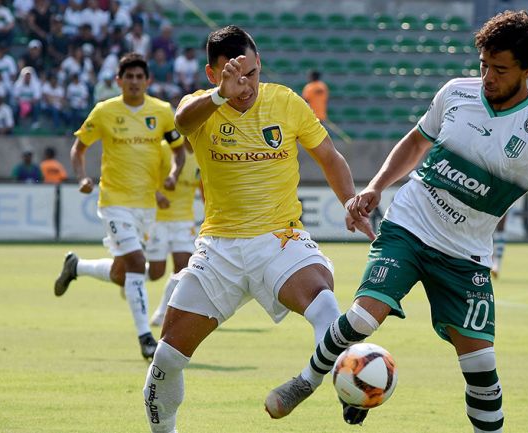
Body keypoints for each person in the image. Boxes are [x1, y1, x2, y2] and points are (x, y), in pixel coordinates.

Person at [265, 11, 528, 431]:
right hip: (410, 226)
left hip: (464, 255)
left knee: (481, 365)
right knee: (364, 317)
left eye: (500, 69)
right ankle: (305, 382)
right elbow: (417, 140)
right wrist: (376, 186)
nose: (488, 76)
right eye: (483, 65)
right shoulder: (457, 93)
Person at [141, 25, 373, 433]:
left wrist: (350, 203)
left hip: (278, 240)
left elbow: (330, 158)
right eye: (233, 76)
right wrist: (220, 96)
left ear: (260, 65)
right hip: (219, 248)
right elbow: (181, 120)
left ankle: (337, 380)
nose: (244, 85)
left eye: (251, 74)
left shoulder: (286, 102)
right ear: (212, 75)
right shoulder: (200, 107)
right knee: (167, 360)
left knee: (324, 303)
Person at [53, 52, 186, 361]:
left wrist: (173, 175)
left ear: (148, 81)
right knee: (139, 264)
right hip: (114, 202)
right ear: (119, 81)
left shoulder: (162, 112)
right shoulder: (104, 112)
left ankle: (77, 266)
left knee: (124, 272)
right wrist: (82, 177)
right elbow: (79, 148)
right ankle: (145, 338)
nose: (135, 82)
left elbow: (179, 152)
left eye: (140, 77)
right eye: (129, 77)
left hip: (146, 207)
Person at [148, 138, 202, 327]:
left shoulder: (203, 153)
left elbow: (205, 188)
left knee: (183, 267)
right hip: (157, 219)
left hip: (184, 221)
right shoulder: (164, 149)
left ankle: (162, 313)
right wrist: (157, 194)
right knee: (155, 272)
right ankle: (131, 275)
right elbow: (144, 175)